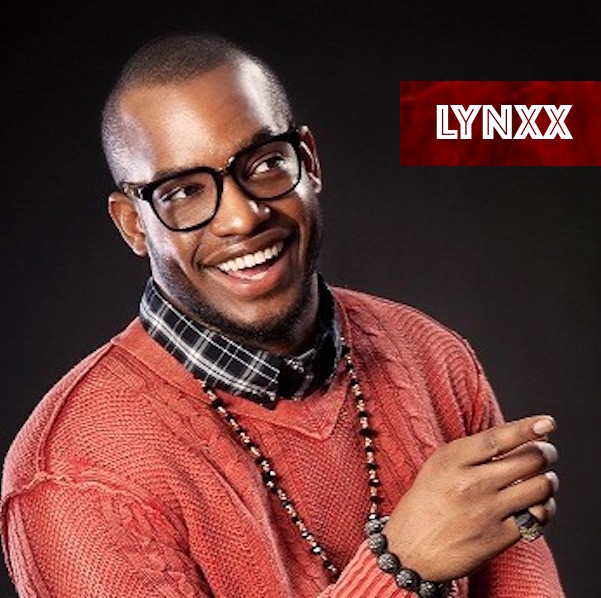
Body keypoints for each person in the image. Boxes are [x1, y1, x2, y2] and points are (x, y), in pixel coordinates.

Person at [0, 31, 564, 597]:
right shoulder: (73, 475)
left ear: (308, 161)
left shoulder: (433, 356)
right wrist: (401, 565)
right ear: (133, 226)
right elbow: (408, 562)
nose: (242, 218)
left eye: (266, 162)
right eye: (183, 193)